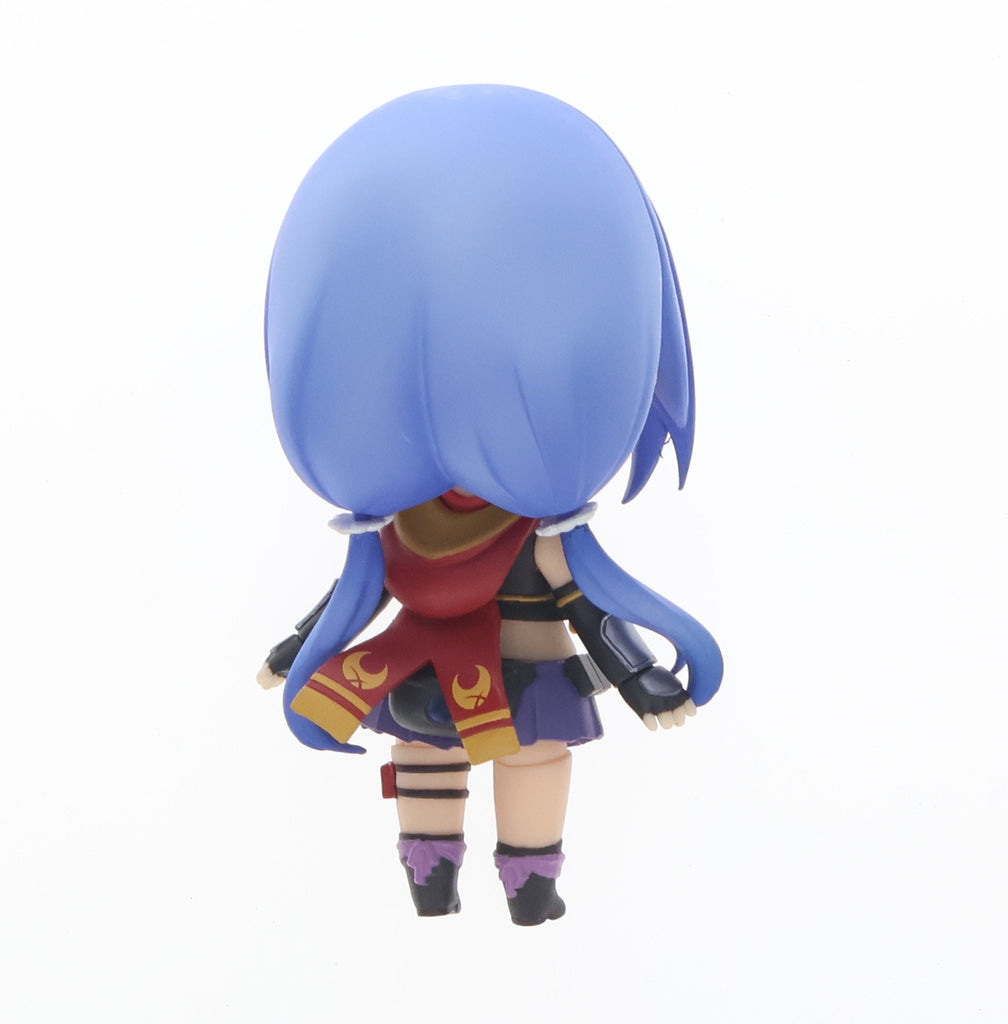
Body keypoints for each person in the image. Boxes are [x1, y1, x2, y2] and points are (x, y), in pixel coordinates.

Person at [259, 85, 723, 925]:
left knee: (530, 757)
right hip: (423, 664)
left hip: (522, 667)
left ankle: (530, 882)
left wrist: (639, 673)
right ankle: (430, 876)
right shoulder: (394, 520)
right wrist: (301, 645)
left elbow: (587, 602)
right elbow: (353, 593)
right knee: (427, 753)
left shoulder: (542, 526)